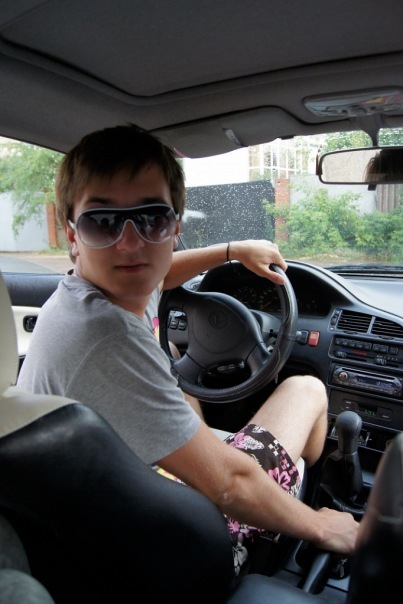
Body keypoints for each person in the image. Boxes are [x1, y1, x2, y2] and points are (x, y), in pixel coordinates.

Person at [17, 124, 359, 575]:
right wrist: (322, 527)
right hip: (169, 554)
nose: (131, 243)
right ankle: (307, 506)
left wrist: (233, 251)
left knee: (179, 377)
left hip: (104, 518)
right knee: (307, 390)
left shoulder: (94, 293)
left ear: (175, 227)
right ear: (72, 236)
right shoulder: (107, 335)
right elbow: (231, 485)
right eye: (102, 221)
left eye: (152, 218)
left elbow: (159, 274)